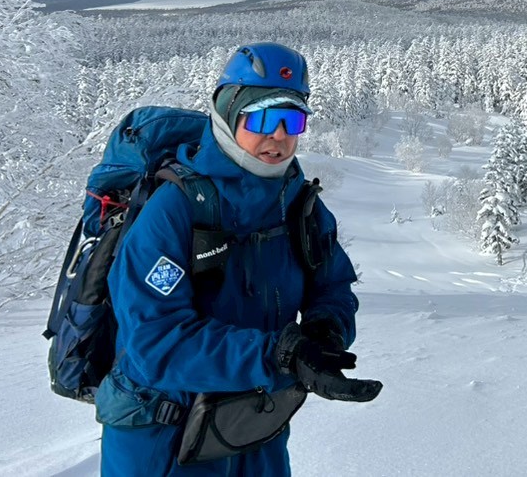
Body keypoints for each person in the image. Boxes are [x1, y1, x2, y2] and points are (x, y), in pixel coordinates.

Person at [96, 43, 377, 476]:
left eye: (292, 119)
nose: (279, 136)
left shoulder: (299, 204)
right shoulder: (174, 212)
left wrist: (324, 330)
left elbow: (333, 284)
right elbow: (155, 344)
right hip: (164, 437)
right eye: (263, 117)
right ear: (229, 113)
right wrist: (280, 355)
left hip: (253, 425)